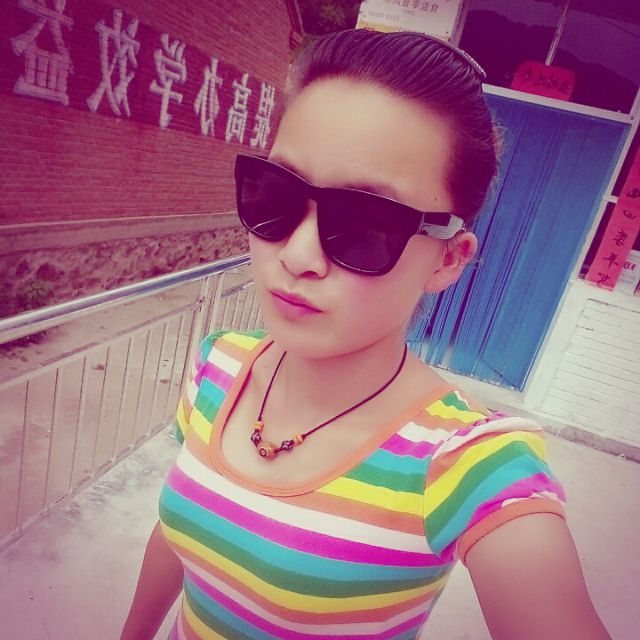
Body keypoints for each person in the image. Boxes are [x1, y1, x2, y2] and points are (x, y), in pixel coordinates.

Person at [121, 29, 611, 640]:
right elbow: (181, 538)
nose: (297, 255)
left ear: (448, 259)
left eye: (365, 223)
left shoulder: (466, 462)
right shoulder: (217, 366)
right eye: (276, 195)